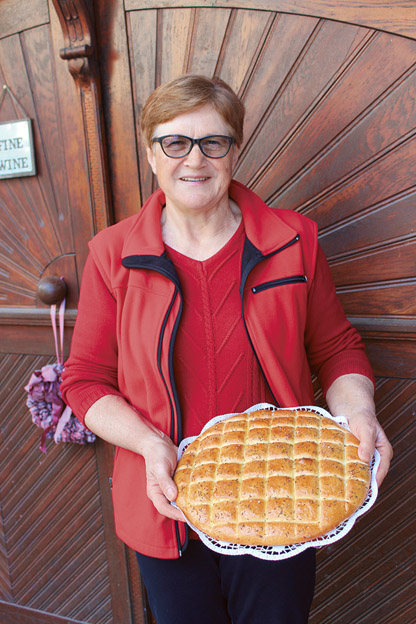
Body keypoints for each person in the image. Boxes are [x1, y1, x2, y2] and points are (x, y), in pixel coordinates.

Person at [61, 74, 393, 624]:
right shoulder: (112, 253)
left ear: (235, 150)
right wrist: (148, 445)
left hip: (281, 496)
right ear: (151, 153)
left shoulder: (293, 239)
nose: (196, 160)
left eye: (214, 142)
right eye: (176, 142)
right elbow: (85, 379)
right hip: (166, 501)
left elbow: (336, 348)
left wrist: (359, 412)